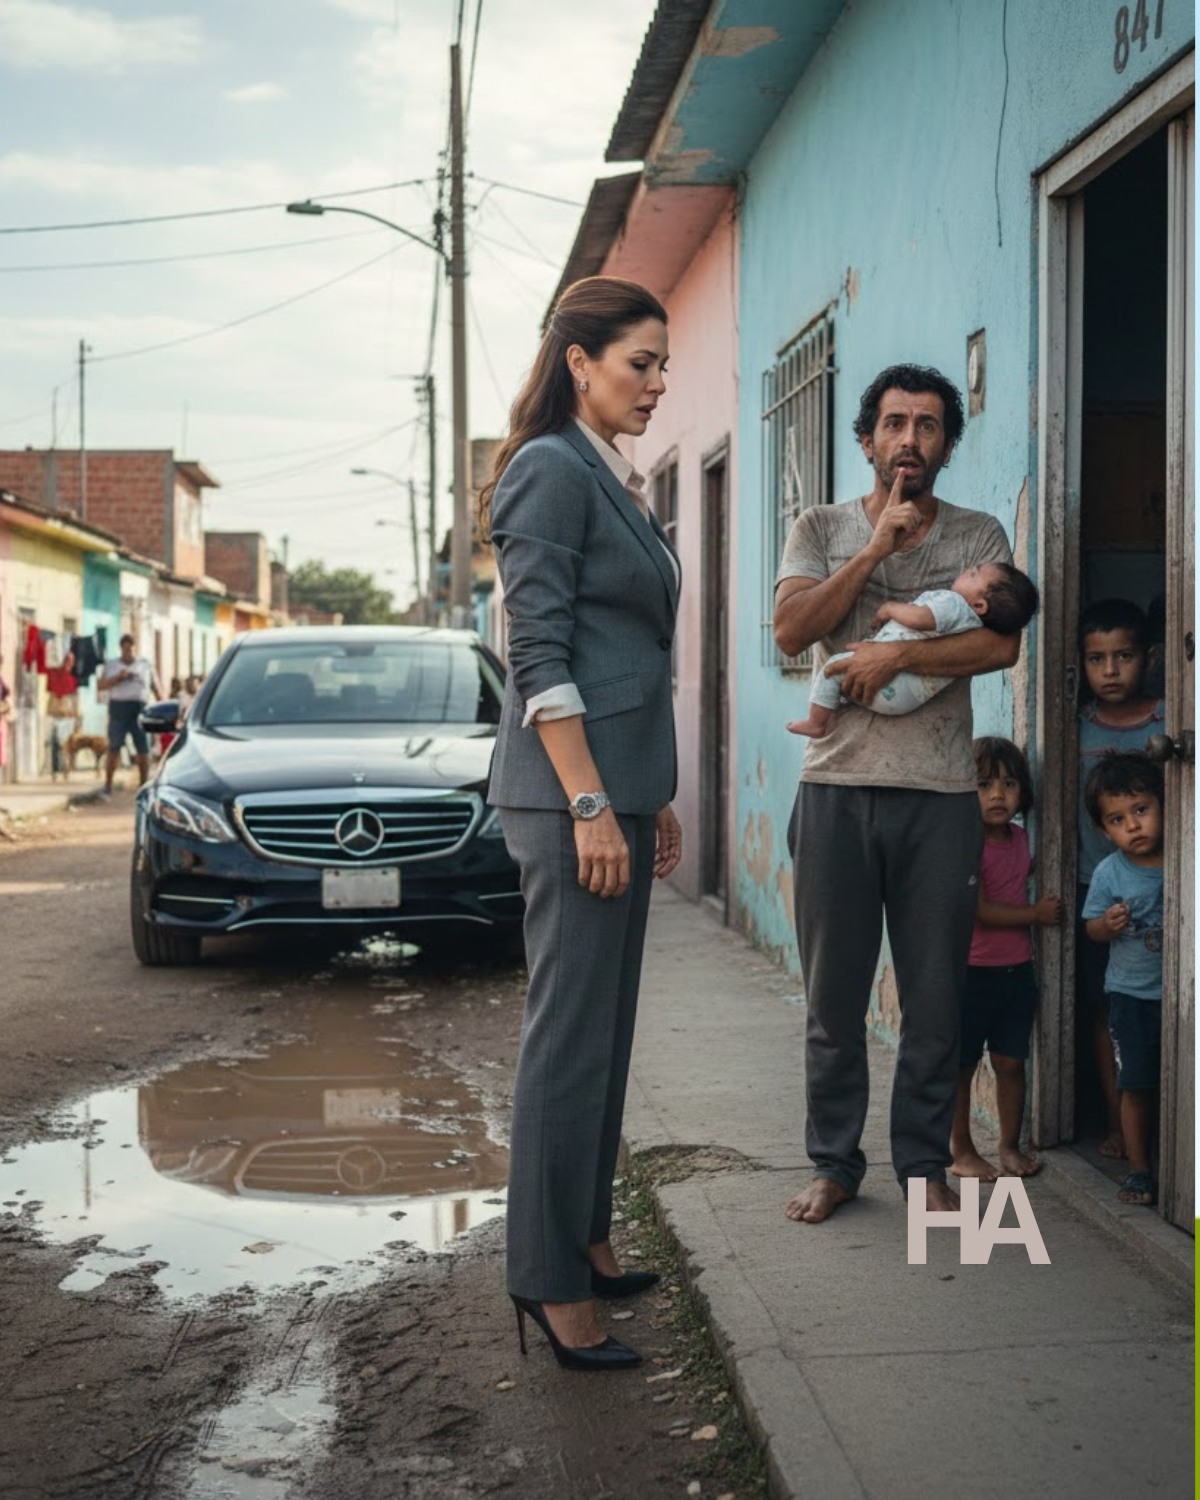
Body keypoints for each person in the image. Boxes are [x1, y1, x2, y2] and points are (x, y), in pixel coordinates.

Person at [481, 276, 682, 1370]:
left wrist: (649, 794)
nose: (656, 383)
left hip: (614, 793)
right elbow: (539, 656)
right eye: (639, 362)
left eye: (663, 365)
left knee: (602, 1032)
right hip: (569, 801)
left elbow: (631, 660)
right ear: (579, 362)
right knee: (567, 1038)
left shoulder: (612, 476)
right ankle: (550, 1283)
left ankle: (589, 1237)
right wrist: (596, 804)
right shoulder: (549, 471)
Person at [774, 363, 1023, 1224]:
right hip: (836, 788)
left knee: (935, 997)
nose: (908, 438)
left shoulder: (980, 535)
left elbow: (999, 651)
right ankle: (834, 1164)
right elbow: (792, 628)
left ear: (947, 443)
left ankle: (924, 1167)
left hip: (939, 793)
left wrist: (897, 655)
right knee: (832, 1001)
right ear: (867, 438)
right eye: (892, 423)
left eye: (926, 424)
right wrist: (877, 547)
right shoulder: (820, 526)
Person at [1075, 599, 1165, 1160]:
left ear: (1148, 658)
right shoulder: (1076, 726)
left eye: (1123, 656)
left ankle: (1171, 1130)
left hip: (1167, 887)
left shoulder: (1170, 722)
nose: (1110, 671)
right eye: (1096, 659)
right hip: (1098, 889)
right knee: (1108, 1010)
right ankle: (1116, 1120)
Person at [950, 737, 1062, 1181]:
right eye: (983, 785)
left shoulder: (1020, 840)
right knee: (961, 1067)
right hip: (972, 973)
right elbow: (980, 910)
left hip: (1017, 973)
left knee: (1011, 1063)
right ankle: (961, 1149)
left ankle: (1009, 1147)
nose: (998, 795)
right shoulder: (968, 845)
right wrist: (1034, 915)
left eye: (1009, 784)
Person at [787, 561, 1038, 738]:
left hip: (891, 684)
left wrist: (890, 608)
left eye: (973, 573)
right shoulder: (974, 628)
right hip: (905, 700)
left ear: (980, 604)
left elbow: (921, 618)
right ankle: (837, 701)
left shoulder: (954, 604)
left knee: (832, 669)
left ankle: (817, 722)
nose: (966, 570)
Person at [1082, 752, 1164, 1206]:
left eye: (1141, 810)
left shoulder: (1185, 859)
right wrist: (1106, 925)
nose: (1132, 826)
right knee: (1134, 1082)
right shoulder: (1109, 872)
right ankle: (1138, 1170)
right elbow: (1090, 928)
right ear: (1104, 830)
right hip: (1131, 996)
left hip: (1181, 998)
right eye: (1117, 819)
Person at [98, 634, 160, 795]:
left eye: (131, 649)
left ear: (135, 648)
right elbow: (101, 685)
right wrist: (119, 678)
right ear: (121, 649)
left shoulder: (145, 664)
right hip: (119, 708)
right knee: (114, 747)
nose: (129, 653)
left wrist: (162, 704)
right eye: (126, 650)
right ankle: (108, 785)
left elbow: (156, 686)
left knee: (143, 748)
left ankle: (144, 785)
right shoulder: (112, 665)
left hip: (140, 707)